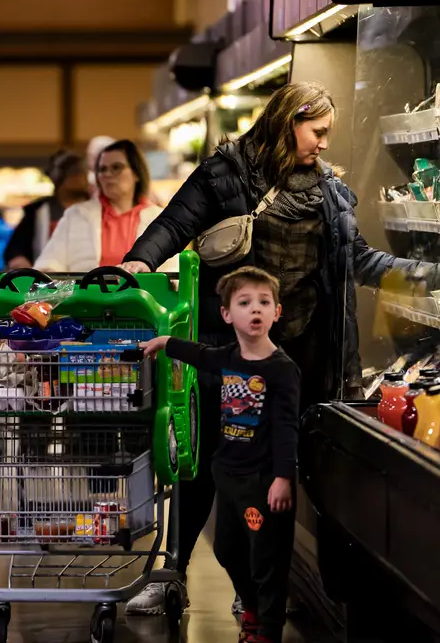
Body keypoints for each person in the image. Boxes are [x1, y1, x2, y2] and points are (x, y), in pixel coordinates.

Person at [120, 81, 440, 615]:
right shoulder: (226, 173)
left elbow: (360, 261)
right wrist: (138, 262)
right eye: (317, 131)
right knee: (206, 463)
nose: (323, 143)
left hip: (295, 357)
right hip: (224, 348)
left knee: (270, 472)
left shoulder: (331, 195)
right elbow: (175, 222)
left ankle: (254, 589)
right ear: (287, 123)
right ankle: (171, 576)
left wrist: (430, 274)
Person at [142, 267, 299, 643]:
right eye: (245, 303)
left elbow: (286, 428)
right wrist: (165, 341)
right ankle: (252, 607)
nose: (255, 310)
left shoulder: (282, 369)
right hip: (228, 475)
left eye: (264, 302)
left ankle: (266, 630)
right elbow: (200, 354)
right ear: (227, 314)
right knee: (228, 550)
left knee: (267, 561)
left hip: (263, 483)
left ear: (277, 312)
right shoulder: (228, 357)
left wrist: (283, 477)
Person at [35, 139, 177, 272]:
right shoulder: (75, 215)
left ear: (136, 173)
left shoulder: (159, 218)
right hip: (84, 298)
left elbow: (174, 273)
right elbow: (48, 265)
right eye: (102, 169)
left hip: (142, 298)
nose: (108, 174)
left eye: (116, 167)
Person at [3, 150, 91, 270]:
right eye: (78, 173)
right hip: (46, 280)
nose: (85, 177)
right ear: (61, 178)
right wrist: (19, 259)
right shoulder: (38, 212)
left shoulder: (97, 209)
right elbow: (15, 249)